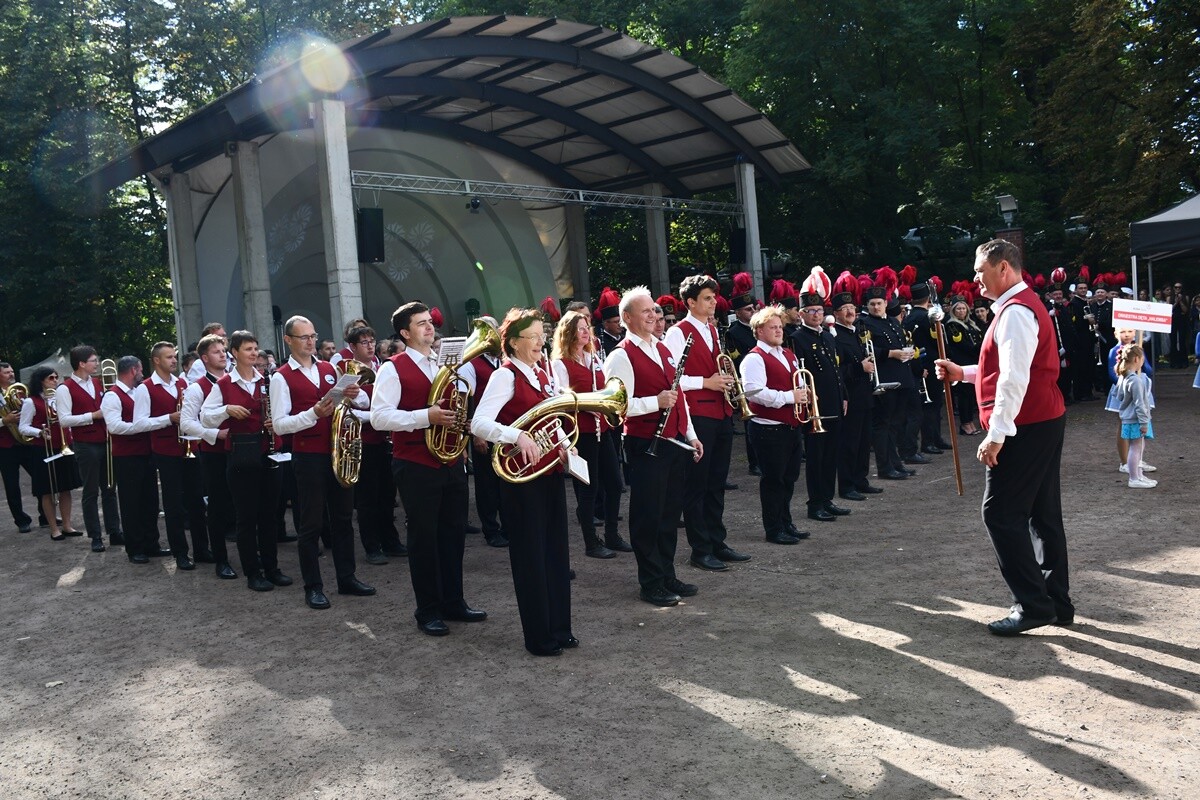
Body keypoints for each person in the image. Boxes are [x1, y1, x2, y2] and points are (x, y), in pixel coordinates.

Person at [935, 239, 1071, 636]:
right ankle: (1055, 602)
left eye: (980, 270)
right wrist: (964, 372)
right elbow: (1005, 371)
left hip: (1026, 424)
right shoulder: (1019, 307)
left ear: (1003, 270)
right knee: (1043, 514)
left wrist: (995, 434)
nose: (974, 278)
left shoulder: (1015, 313)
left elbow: (1014, 379)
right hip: (1041, 418)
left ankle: (1033, 605)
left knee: (1001, 514)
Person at [371, 302, 484, 636]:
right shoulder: (393, 368)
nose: (429, 327)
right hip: (416, 463)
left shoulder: (445, 363)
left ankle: (454, 602)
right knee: (424, 539)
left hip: (451, 460)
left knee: (453, 534)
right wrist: (425, 416)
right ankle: (427, 610)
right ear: (405, 333)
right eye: (421, 324)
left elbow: (459, 402)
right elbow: (380, 417)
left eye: (429, 322)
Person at [472, 308, 576, 656]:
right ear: (514, 342)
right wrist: (516, 435)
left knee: (556, 554)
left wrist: (563, 447)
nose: (540, 342)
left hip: (549, 472)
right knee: (531, 557)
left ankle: (560, 628)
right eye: (532, 337)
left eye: (541, 335)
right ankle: (539, 637)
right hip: (521, 479)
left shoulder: (541, 373)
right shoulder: (505, 376)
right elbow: (479, 423)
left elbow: (552, 417)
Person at [604, 287, 703, 607]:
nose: (653, 316)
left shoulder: (663, 348)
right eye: (645, 311)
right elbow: (615, 408)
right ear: (627, 318)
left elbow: (679, 398)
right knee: (648, 515)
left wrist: (690, 434)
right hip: (645, 443)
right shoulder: (620, 356)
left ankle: (667, 573)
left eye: (654, 311)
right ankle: (651, 582)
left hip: (673, 441)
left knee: (669, 513)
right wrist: (653, 402)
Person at [272, 316, 375, 609]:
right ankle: (313, 586)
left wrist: (355, 397)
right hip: (308, 456)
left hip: (337, 452)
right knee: (311, 523)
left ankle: (347, 578)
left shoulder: (331, 369)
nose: (310, 341)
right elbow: (279, 425)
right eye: (303, 337)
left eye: (313, 336)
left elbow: (361, 405)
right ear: (288, 340)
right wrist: (313, 414)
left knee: (343, 518)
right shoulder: (281, 376)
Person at [663, 275, 750, 571]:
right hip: (698, 415)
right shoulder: (677, 332)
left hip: (721, 412)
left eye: (714, 298)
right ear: (690, 302)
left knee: (716, 484)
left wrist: (724, 384)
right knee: (697, 486)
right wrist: (707, 382)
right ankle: (700, 549)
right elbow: (670, 378)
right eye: (708, 298)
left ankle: (716, 541)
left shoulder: (712, 329)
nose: (714, 302)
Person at [202, 331, 294, 592]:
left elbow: (283, 410)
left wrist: (274, 421)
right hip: (241, 456)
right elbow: (205, 418)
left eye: (255, 348)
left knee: (269, 515)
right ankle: (253, 572)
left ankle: (272, 568)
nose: (254, 353)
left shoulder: (268, 380)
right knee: (246, 517)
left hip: (268, 452)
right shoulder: (224, 385)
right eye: (248, 349)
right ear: (234, 352)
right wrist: (226, 410)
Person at [551, 309, 630, 558]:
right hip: (581, 433)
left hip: (602, 430)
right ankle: (590, 542)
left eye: (588, 328)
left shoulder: (594, 357)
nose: (586, 332)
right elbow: (561, 400)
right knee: (588, 488)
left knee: (615, 484)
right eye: (581, 328)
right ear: (569, 333)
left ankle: (612, 535)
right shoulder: (559, 364)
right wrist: (590, 404)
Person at [131, 343, 213, 571]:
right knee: (174, 504)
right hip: (166, 451)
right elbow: (139, 423)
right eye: (168, 357)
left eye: (174, 357)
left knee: (197, 501)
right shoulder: (145, 388)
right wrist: (169, 417)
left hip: (189, 447)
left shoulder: (183, 383)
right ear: (156, 360)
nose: (174, 361)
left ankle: (202, 549)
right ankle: (181, 553)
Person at [739, 305, 809, 544]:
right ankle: (773, 528)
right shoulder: (753, 359)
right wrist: (791, 397)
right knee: (773, 481)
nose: (779, 331)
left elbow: (796, 383)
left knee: (789, 479)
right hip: (768, 428)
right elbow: (754, 393)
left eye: (780, 327)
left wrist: (805, 393)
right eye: (773, 327)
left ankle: (786, 522)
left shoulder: (787, 354)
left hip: (790, 425)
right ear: (759, 331)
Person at [340, 324, 407, 564]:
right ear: (352, 347)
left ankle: (391, 540)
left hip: (385, 441)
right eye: (364, 343)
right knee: (368, 497)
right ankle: (372, 546)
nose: (370, 346)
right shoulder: (347, 373)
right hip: (364, 442)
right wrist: (378, 417)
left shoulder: (383, 368)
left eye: (371, 341)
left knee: (387, 494)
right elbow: (348, 411)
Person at [179, 335, 237, 578]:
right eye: (216, 352)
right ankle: (220, 559)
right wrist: (215, 433)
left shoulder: (236, 380)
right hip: (213, 453)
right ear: (204, 358)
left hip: (239, 451)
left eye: (224, 350)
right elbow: (186, 424)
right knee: (217, 506)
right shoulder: (196, 388)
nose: (223, 355)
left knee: (241, 504)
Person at [101, 356, 169, 563]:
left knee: (149, 501)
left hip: (145, 453)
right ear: (132, 370)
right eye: (140, 370)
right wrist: (140, 426)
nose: (142, 374)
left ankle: (151, 543)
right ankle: (135, 547)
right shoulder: (112, 396)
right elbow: (114, 426)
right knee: (131, 503)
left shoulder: (138, 392)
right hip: (127, 457)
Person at [55, 345, 122, 552]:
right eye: (93, 360)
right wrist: (92, 416)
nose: (97, 363)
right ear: (82, 364)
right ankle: (95, 536)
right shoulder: (64, 388)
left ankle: (114, 531)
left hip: (105, 440)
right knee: (90, 492)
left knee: (110, 489)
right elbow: (64, 420)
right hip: (86, 444)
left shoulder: (97, 382)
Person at [792, 287, 848, 523]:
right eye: (810, 310)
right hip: (816, 406)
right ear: (802, 314)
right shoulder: (796, 338)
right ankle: (815, 503)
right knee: (817, 458)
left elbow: (836, 370)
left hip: (834, 401)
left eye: (819, 310)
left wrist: (843, 395)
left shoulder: (826, 335)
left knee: (831, 455)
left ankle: (827, 498)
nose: (816, 314)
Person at [459, 318, 509, 548]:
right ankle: (491, 529)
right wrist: (475, 434)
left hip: (503, 430)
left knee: (505, 480)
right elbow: (466, 400)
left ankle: (507, 526)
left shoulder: (503, 361)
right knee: (486, 483)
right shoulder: (470, 363)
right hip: (482, 430)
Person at [18, 367, 82, 541]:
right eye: (50, 378)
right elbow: (22, 427)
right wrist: (39, 432)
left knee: (65, 488)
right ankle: (54, 528)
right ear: (41, 381)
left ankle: (67, 525)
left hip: (64, 446)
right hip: (43, 449)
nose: (55, 380)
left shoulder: (60, 398)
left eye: (56, 377)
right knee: (47, 490)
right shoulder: (31, 402)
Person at [830, 290, 881, 500]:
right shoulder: (835, 337)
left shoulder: (856, 332)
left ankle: (861, 480)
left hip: (865, 395)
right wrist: (860, 367)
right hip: (850, 397)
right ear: (836, 313)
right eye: (845, 309)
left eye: (852, 308)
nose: (850, 311)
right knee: (849, 443)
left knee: (863, 442)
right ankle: (847, 485)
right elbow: (837, 371)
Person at [861, 287, 914, 480]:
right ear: (867, 306)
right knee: (882, 424)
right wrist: (890, 353)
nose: (876, 307)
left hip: (901, 376)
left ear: (885, 304)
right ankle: (885, 467)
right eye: (872, 304)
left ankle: (896, 462)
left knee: (895, 423)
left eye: (879, 303)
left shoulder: (892, 321)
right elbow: (866, 347)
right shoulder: (864, 323)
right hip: (884, 378)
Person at [1105, 329, 1156, 476]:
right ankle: (1124, 462)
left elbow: (1148, 369)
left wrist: (1142, 361)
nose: (1126, 334)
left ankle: (1136, 460)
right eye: (1122, 331)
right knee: (1124, 424)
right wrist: (1128, 385)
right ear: (1116, 334)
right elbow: (1111, 372)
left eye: (1129, 331)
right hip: (1127, 389)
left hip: (1139, 387)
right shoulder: (1114, 350)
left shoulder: (1137, 350)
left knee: (1138, 426)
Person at [0, 361, 37, 532]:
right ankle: (21, 520)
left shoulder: (20, 391)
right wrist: (4, 421)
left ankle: (46, 514)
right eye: (7, 372)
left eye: (12, 371)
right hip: (5, 446)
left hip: (26, 442)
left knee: (40, 477)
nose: (11, 374)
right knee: (12, 484)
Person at [1114, 345, 1156, 488]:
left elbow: (1117, 395)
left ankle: (1138, 475)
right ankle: (1134, 478)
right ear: (1137, 359)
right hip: (1136, 419)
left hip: (1129, 418)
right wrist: (1144, 422)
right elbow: (1140, 403)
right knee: (1136, 448)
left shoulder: (1124, 377)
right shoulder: (1135, 380)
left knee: (1138, 447)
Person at [944, 296, 984, 435]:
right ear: (954, 311)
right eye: (958, 309)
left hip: (973, 361)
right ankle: (965, 423)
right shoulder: (953, 325)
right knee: (964, 395)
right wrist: (982, 347)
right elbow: (963, 345)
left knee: (971, 395)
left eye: (963, 308)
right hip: (962, 363)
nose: (961, 311)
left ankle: (970, 422)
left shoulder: (971, 324)